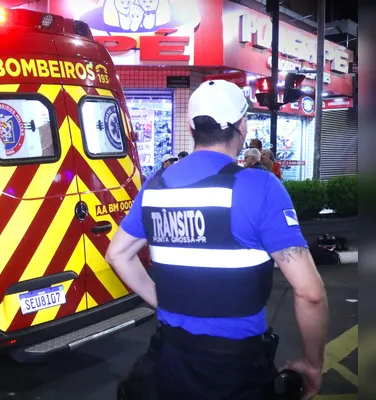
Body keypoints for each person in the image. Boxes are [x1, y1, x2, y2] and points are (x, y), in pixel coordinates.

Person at [107, 79, 328, 399]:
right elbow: (310, 293)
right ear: (242, 125)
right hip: (237, 370)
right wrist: (311, 363)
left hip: (170, 363)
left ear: (190, 126)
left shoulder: (156, 186)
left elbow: (118, 254)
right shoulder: (260, 187)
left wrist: (163, 302)